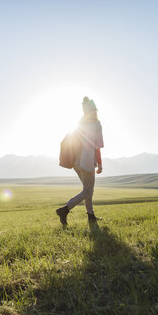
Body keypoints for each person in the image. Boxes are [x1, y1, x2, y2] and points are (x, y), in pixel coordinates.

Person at [56, 96, 104, 225]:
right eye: (95, 110)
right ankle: (65, 210)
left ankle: (91, 215)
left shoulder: (80, 124)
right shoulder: (96, 125)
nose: (96, 112)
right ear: (92, 111)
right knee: (88, 191)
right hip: (87, 162)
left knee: (87, 190)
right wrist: (100, 164)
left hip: (76, 162)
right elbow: (97, 146)